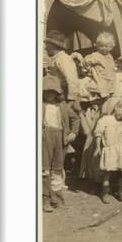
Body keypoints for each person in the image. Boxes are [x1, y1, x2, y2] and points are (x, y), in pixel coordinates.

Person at [41, 75, 80, 213]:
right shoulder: (39, 105)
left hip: (60, 138)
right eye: (46, 91)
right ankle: (45, 198)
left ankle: (56, 197)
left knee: (57, 168)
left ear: (57, 93)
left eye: (52, 92)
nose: (49, 95)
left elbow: (75, 118)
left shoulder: (62, 106)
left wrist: (73, 133)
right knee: (44, 169)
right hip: (44, 138)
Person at [93, 100, 122, 204]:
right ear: (116, 108)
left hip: (121, 149)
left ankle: (121, 191)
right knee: (107, 172)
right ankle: (105, 192)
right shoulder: (105, 119)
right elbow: (98, 134)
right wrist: (98, 147)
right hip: (109, 149)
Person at [44, 30, 80, 109]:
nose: (45, 47)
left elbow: (72, 79)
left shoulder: (63, 59)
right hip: (56, 95)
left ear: (54, 45)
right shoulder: (55, 58)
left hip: (65, 96)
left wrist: (71, 99)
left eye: (47, 45)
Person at [82, 31, 117, 99]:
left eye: (106, 46)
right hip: (100, 76)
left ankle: (107, 94)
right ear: (97, 46)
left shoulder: (110, 56)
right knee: (100, 86)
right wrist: (88, 68)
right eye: (101, 46)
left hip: (108, 76)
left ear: (111, 47)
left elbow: (111, 65)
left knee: (111, 86)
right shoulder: (96, 55)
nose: (104, 48)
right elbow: (86, 61)